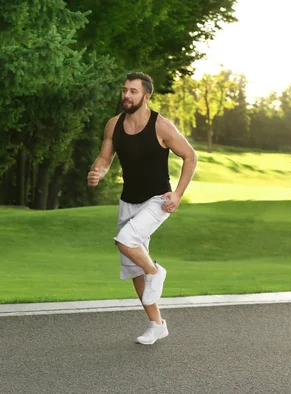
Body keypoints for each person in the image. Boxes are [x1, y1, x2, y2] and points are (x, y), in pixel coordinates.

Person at [87, 71, 197, 345]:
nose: (126, 95)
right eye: (124, 90)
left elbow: (190, 156)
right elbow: (105, 156)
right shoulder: (113, 125)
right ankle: (156, 324)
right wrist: (97, 172)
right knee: (134, 267)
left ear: (146, 96)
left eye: (133, 91)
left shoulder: (161, 126)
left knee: (126, 242)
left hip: (157, 199)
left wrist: (178, 194)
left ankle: (156, 271)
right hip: (128, 200)